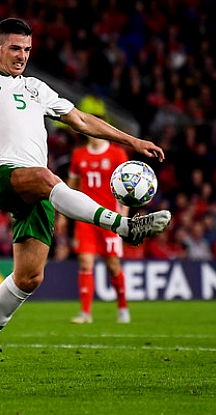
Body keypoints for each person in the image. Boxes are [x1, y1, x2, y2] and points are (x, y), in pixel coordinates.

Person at [0, 18, 171, 376]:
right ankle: (125, 227)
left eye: (26, 49)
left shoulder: (38, 88)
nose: (21, 56)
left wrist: (131, 141)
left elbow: (81, 121)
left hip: (39, 189)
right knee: (43, 176)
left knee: (29, 278)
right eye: (14, 48)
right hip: (2, 177)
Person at [68, 135, 130, 324]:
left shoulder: (117, 154)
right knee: (85, 263)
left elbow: (126, 186)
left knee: (113, 265)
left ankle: (122, 307)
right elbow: (73, 185)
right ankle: (85, 313)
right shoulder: (78, 155)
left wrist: (124, 215)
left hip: (110, 218)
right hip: (85, 218)